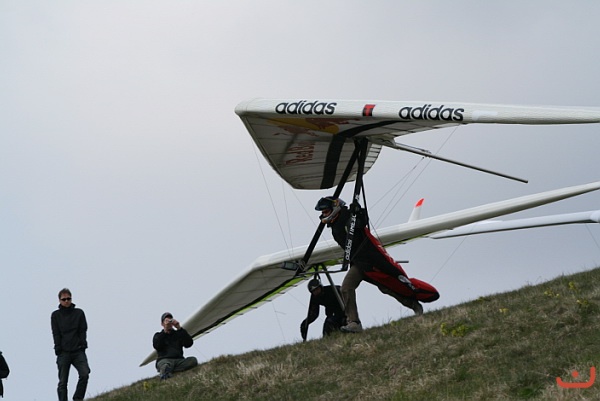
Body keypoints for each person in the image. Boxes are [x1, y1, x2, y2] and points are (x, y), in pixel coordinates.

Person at [315, 197, 439, 333]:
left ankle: (414, 305)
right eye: (323, 212)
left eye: (326, 211)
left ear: (335, 208)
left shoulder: (348, 215)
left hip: (371, 260)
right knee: (346, 287)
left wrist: (358, 212)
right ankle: (354, 323)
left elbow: (362, 222)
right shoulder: (334, 227)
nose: (324, 214)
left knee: (387, 287)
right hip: (358, 263)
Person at [51, 288, 91, 401]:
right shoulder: (55, 315)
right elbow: (56, 333)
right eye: (64, 299)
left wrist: (83, 344)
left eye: (68, 299)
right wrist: (58, 348)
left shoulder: (79, 313)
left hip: (78, 351)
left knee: (85, 373)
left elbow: (83, 330)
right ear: (59, 300)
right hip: (63, 352)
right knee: (63, 382)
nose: (66, 301)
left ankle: (78, 398)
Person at [153, 312, 198, 380]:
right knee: (165, 365)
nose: (169, 323)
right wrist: (165, 331)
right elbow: (157, 346)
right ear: (162, 324)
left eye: (170, 320)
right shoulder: (158, 335)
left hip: (178, 360)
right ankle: (166, 372)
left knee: (193, 360)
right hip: (165, 360)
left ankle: (170, 370)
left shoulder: (177, 334)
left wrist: (179, 327)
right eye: (166, 321)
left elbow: (188, 343)